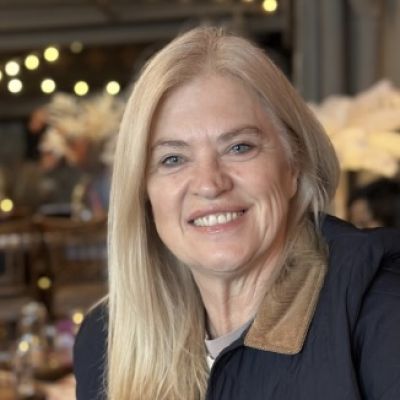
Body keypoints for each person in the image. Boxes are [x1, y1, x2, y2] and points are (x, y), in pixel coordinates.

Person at [73, 26, 400, 400]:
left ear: (293, 164)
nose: (210, 184)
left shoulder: (381, 309)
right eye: (173, 159)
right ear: (143, 192)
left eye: (239, 147)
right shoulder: (106, 343)